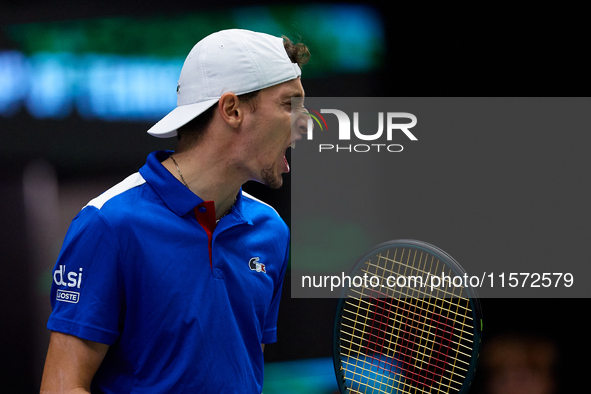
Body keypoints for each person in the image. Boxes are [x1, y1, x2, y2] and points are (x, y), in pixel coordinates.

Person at [40, 29, 310, 393]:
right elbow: (62, 387)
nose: (305, 122)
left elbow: (243, 373)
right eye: (289, 104)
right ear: (232, 110)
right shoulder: (108, 224)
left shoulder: (271, 231)